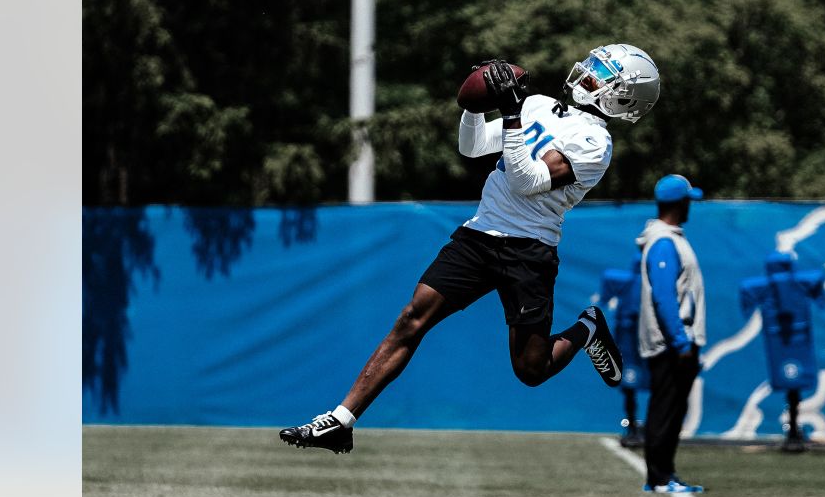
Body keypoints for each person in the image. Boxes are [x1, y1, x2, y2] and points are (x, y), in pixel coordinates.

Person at [280, 44, 662, 453]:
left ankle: (587, 327)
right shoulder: (539, 104)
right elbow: (474, 146)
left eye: (599, 75)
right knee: (412, 319)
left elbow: (525, 181)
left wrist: (512, 113)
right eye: (592, 67)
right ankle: (341, 420)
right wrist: (476, 105)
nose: (585, 75)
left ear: (621, 97)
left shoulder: (595, 143)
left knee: (531, 370)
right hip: (479, 235)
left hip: (528, 252)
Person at [635, 174, 707, 493]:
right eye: (688, 200)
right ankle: (660, 477)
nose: (691, 206)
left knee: (673, 409)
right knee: (666, 408)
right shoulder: (663, 241)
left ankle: (664, 474)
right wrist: (680, 342)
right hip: (671, 342)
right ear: (679, 203)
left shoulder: (669, 238)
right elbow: (664, 297)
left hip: (677, 340)